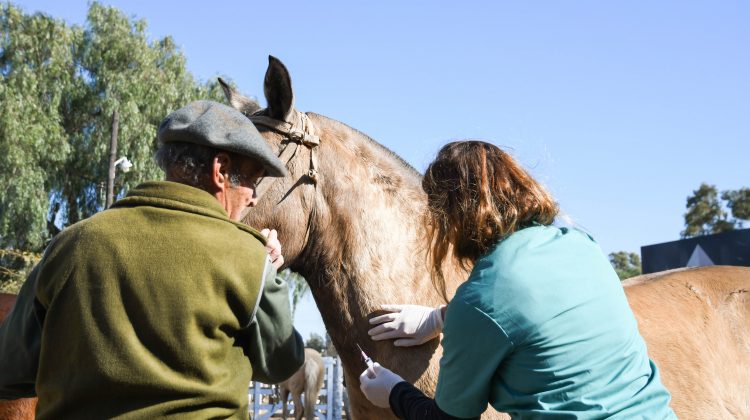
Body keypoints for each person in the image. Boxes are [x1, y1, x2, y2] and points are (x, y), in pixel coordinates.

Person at [0, 100, 305, 418]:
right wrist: (267, 272)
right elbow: (282, 363)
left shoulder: (67, 246)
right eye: (253, 182)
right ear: (221, 170)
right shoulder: (248, 258)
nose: (254, 198)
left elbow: (9, 373)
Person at [359, 141, 676, 419]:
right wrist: (439, 317)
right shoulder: (581, 245)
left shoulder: (480, 299)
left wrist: (394, 392)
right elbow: (535, 307)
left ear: (450, 218)